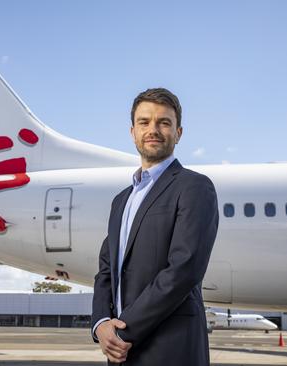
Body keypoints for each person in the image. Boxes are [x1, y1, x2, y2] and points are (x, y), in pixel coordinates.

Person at [91, 88, 219, 365]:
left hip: (171, 349)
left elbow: (185, 269)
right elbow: (106, 271)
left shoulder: (194, 187)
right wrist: (101, 323)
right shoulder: (121, 200)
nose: (154, 130)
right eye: (144, 122)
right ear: (132, 132)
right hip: (120, 352)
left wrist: (124, 330)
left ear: (179, 133)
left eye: (164, 122)